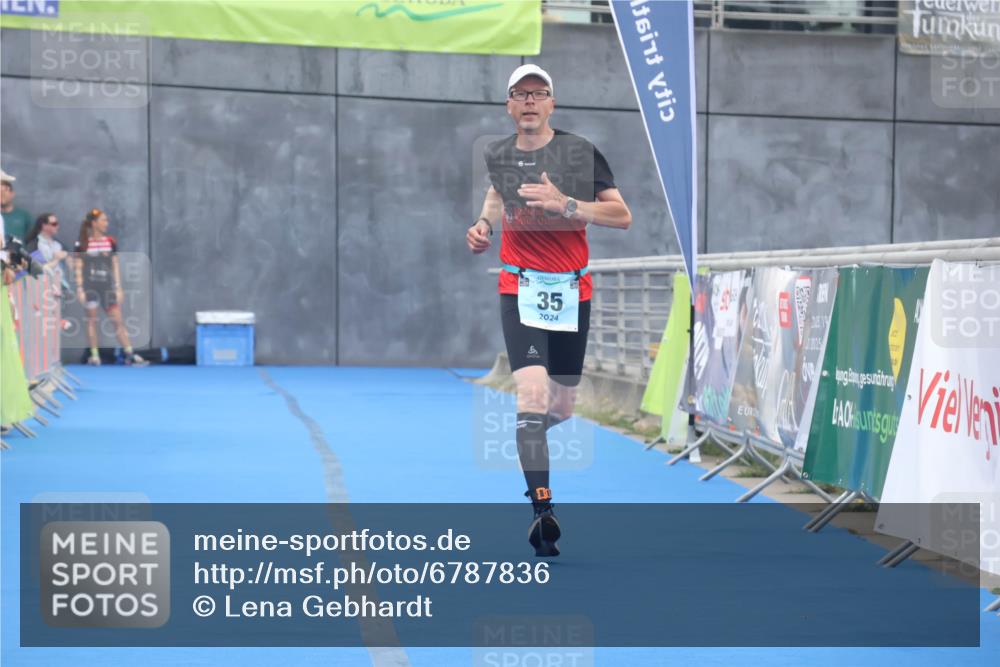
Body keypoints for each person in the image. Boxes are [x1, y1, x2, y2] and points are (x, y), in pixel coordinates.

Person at [467, 65, 632, 556]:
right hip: (520, 288)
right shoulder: (498, 154)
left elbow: (621, 216)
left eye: (539, 93)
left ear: (552, 104)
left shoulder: (580, 152)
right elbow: (496, 193)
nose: (531, 101)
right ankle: (543, 509)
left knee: (559, 407)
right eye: (521, 94)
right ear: (510, 106)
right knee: (533, 394)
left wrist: (567, 205)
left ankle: (528, 432)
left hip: (572, 292)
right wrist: (482, 225)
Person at [73, 208, 147, 366]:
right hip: (89, 288)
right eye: (103, 220)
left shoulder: (110, 242)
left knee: (118, 321)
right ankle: (94, 355)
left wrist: (118, 287)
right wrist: (79, 289)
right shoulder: (82, 243)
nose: (106, 223)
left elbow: (115, 265)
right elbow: (78, 266)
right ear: (94, 223)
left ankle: (129, 353)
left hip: (107, 288)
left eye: (106, 220)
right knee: (91, 321)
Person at [0, 169, 33, 242]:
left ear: (12, 193)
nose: (1, 195)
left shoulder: (24, 216)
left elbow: (35, 240)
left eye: (4, 191)